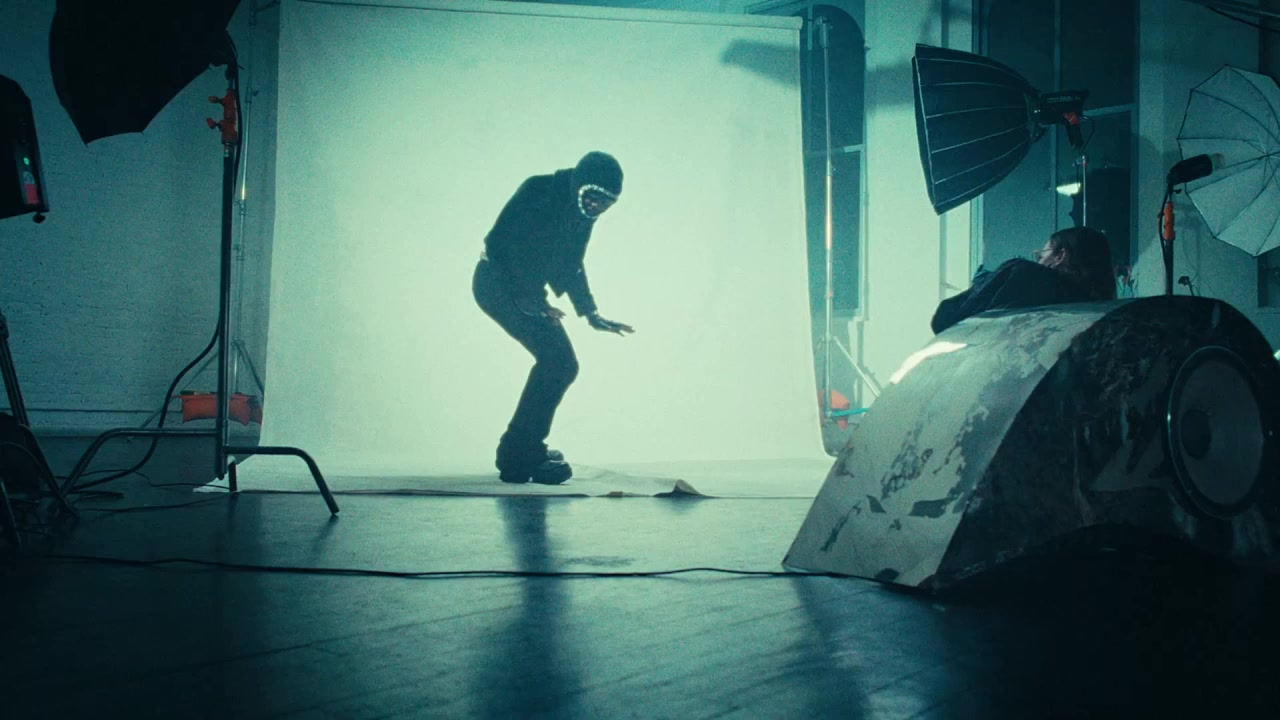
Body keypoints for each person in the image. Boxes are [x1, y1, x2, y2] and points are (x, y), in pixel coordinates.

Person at [473, 152, 634, 485]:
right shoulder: (537, 191)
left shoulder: (581, 213)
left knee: (560, 364)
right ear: (578, 184)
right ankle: (521, 455)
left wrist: (590, 312)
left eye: (606, 203)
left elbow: (571, 264)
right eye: (592, 196)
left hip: (525, 291)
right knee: (558, 362)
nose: (596, 206)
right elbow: (501, 246)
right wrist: (530, 300)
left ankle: (518, 452)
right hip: (495, 283)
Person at [931, 226, 1117, 334]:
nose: (1038, 261)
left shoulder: (1023, 274)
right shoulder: (1101, 313)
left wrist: (984, 283)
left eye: (1041, 255)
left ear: (1060, 256)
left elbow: (944, 318)